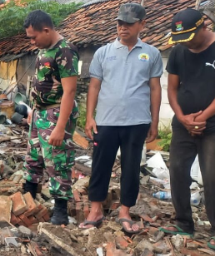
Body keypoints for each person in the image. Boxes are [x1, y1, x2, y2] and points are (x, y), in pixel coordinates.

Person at [159, 9, 215, 252]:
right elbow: (172, 89)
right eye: (180, 38)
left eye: (188, 36)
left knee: (214, 177)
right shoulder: (178, 51)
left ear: (203, 26)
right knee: (177, 170)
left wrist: (204, 117)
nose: (184, 42)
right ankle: (183, 222)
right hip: (184, 123)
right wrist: (182, 117)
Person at [80, 3, 162, 233]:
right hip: (106, 121)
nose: (123, 28)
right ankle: (96, 209)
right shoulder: (103, 53)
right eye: (120, 23)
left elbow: (155, 89)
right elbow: (94, 86)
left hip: (137, 122)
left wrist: (154, 121)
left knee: (131, 167)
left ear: (142, 24)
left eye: (129, 23)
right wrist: (89, 117)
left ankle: (125, 211)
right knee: (100, 165)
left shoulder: (152, 54)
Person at [23, 10, 79, 225]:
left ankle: (60, 210)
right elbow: (41, 81)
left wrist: (60, 127)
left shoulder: (65, 51)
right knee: (33, 156)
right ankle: (28, 198)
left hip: (57, 113)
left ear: (46, 30)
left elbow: (70, 91)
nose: (32, 41)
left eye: (34, 37)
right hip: (40, 112)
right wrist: (32, 109)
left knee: (58, 161)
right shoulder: (44, 49)